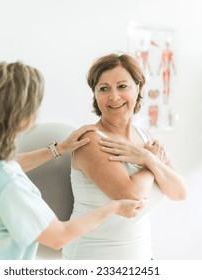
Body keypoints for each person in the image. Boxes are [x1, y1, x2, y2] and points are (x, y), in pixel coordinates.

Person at [0, 61, 145, 260]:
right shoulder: (9, 186)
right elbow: (59, 237)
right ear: (21, 115)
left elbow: (5, 166)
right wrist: (114, 207)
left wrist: (59, 149)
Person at [62, 53, 187, 260]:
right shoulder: (91, 140)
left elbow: (179, 192)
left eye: (122, 86)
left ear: (138, 88)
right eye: (104, 89)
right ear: (95, 94)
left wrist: (149, 159)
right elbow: (131, 199)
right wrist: (150, 162)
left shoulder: (145, 137)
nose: (114, 97)